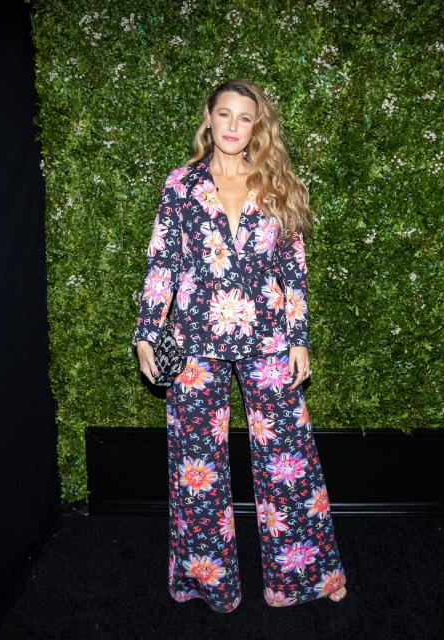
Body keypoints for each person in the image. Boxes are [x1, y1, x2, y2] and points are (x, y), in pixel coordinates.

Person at [132, 79, 348, 613]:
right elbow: (164, 261)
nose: (232, 126)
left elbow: (292, 268)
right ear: (208, 119)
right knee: (196, 464)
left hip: (270, 337)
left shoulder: (276, 183)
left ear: (258, 125)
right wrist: (146, 330)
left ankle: (302, 578)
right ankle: (209, 582)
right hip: (194, 339)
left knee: (286, 458)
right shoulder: (180, 184)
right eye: (224, 115)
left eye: (244, 118)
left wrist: (299, 337)